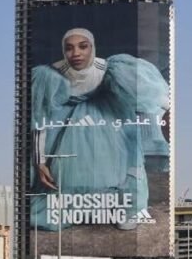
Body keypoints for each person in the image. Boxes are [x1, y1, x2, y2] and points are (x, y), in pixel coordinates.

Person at [30, 28, 170, 231]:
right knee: (71, 169)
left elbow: (156, 97)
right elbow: (39, 119)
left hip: (110, 116)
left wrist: (166, 116)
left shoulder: (113, 69)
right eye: (69, 48)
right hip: (69, 126)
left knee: (121, 158)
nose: (76, 53)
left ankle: (129, 207)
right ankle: (79, 209)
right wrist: (40, 160)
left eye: (83, 46)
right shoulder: (49, 75)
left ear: (92, 47)